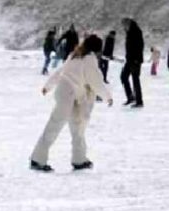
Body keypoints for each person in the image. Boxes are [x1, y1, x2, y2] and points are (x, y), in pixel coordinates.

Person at [30, 34, 112, 172]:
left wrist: (48, 86)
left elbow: (60, 72)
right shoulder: (89, 59)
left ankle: (79, 159)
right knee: (55, 125)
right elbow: (96, 81)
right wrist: (107, 96)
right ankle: (37, 159)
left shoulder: (75, 55)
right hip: (67, 95)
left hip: (72, 96)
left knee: (78, 127)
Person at [120, 17, 144, 108]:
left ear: (128, 24)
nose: (123, 27)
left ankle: (139, 101)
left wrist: (137, 59)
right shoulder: (129, 32)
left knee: (135, 80)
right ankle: (131, 97)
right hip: (129, 59)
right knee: (123, 76)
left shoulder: (136, 32)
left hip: (135, 60)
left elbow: (139, 46)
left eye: (124, 25)